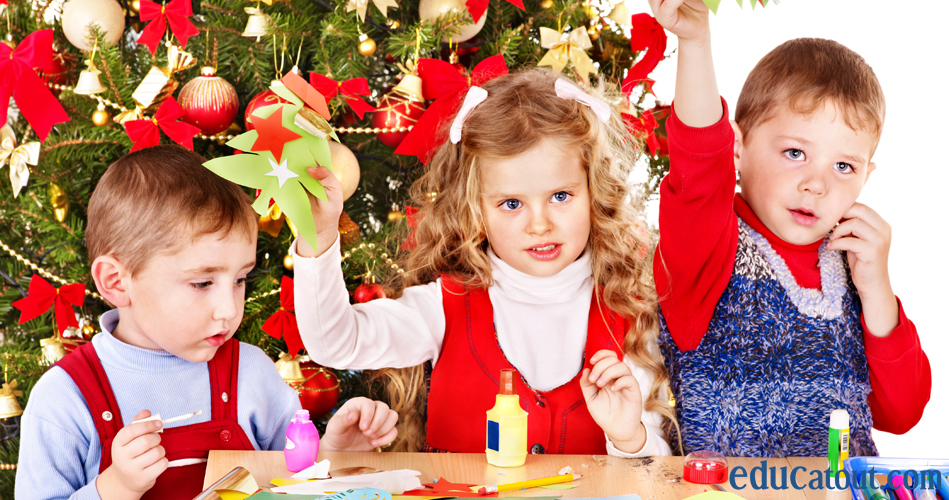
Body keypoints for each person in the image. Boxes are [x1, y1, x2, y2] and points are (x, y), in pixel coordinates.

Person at [292, 68, 674, 457]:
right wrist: (318, 237)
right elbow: (335, 343)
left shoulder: (629, 313)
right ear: (476, 209)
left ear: (594, 190)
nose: (540, 225)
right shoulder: (443, 307)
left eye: (561, 196)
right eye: (511, 204)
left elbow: (655, 477)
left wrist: (630, 437)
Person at [15, 145, 399, 500]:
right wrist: (113, 487)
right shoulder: (65, 399)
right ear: (117, 282)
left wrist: (333, 454)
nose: (229, 310)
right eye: (202, 282)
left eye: (239, 280)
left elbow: (296, 485)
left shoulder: (251, 372)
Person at [649, 0, 931, 456]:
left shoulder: (852, 262)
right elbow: (698, 163)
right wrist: (695, 41)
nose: (817, 184)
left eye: (843, 165)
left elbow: (902, 413)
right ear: (737, 149)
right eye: (795, 153)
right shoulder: (709, 246)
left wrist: (878, 287)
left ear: (866, 176)